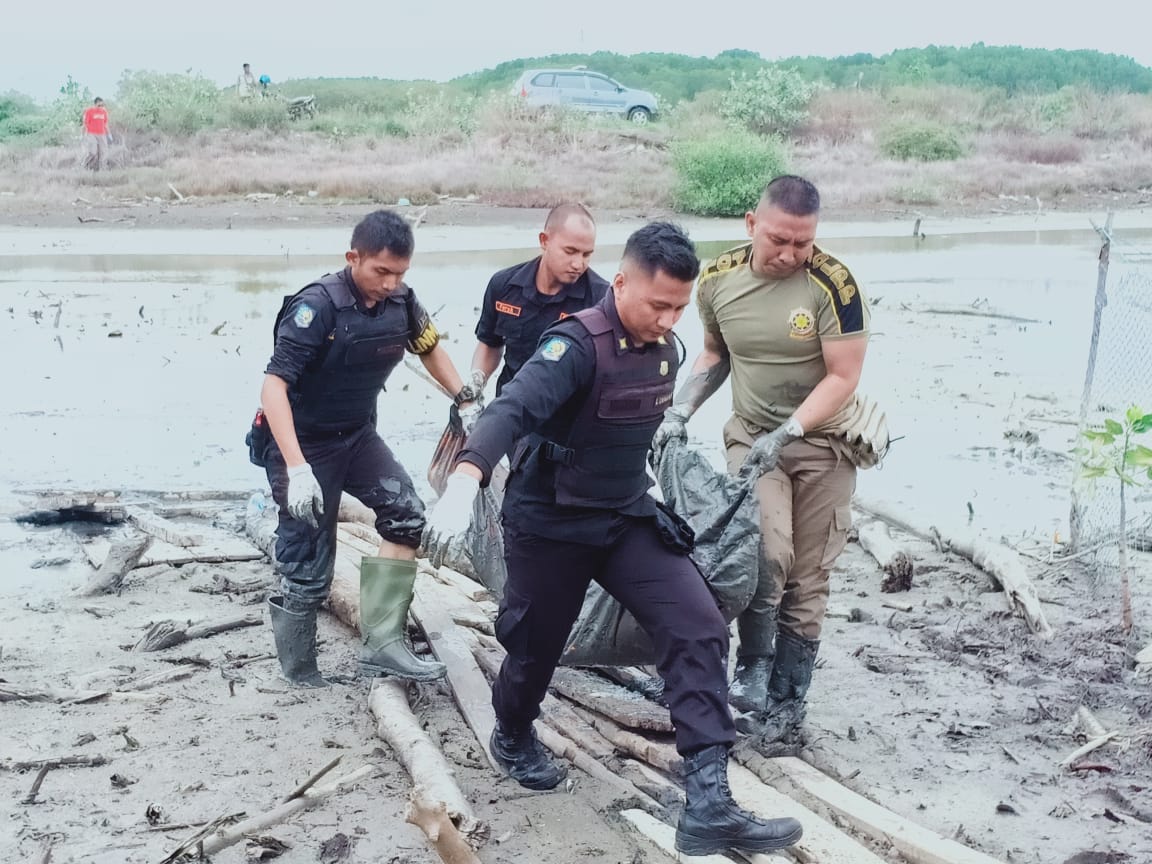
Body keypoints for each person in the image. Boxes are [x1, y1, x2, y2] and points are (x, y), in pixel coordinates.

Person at [424, 223, 803, 856]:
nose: (669, 318)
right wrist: (466, 479)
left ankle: (708, 802)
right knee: (535, 646)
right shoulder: (573, 347)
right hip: (548, 523)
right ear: (621, 282)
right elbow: (509, 411)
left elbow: (634, 427)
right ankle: (513, 732)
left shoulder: (667, 350)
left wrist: (650, 481)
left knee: (699, 623)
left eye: (681, 307)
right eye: (659, 304)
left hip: (625, 517)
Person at [652, 175, 871, 742]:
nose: (791, 254)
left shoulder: (834, 284)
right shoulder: (719, 279)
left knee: (807, 577)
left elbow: (845, 376)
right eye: (779, 240)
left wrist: (795, 427)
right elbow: (713, 353)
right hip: (753, 438)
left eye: (803, 243)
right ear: (752, 224)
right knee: (765, 552)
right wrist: (680, 411)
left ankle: (788, 704)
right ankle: (752, 664)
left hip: (826, 444)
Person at [256, 209, 480, 688]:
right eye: (381, 271)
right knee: (308, 565)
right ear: (353, 257)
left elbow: (430, 347)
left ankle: (383, 646)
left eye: (400, 273)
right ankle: (299, 675)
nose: (390, 283)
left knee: (406, 516)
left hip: (357, 436)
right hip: (302, 443)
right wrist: (297, 469)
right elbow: (273, 388)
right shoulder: (316, 308)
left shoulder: (403, 302)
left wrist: (464, 399)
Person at [468, 203, 609, 401]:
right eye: (570, 251)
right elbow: (490, 344)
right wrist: (475, 385)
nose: (578, 264)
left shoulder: (600, 299)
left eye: (586, 254)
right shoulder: (503, 286)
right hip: (510, 409)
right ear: (544, 240)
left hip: (565, 416)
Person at [82, 98, 110, 172]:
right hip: (91, 134)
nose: (101, 106)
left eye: (102, 105)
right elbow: (85, 124)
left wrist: (109, 134)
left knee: (104, 153)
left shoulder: (104, 112)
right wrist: (83, 134)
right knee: (93, 152)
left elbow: (106, 123)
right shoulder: (89, 111)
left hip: (102, 134)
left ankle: (102, 170)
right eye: (99, 105)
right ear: (95, 104)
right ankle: (85, 166)